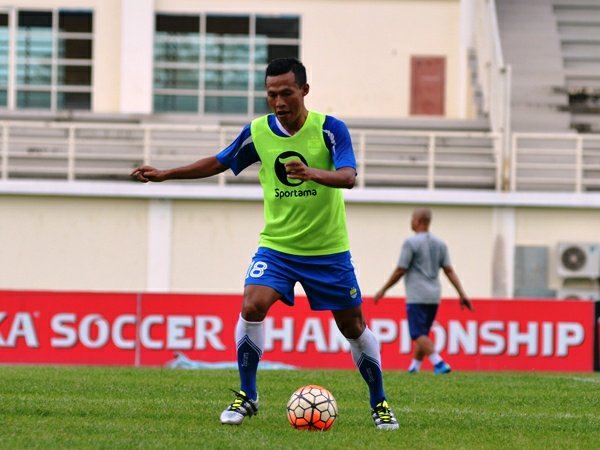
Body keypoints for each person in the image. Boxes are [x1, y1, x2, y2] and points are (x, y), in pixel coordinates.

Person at [131, 57, 399, 430]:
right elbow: (221, 161)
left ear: (304, 90)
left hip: (327, 251)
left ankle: (379, 402)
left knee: (353, 327)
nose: (278, 101)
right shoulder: (259, 131)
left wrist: (311, 173)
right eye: (271, 94)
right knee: (252, 304)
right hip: (277, 247)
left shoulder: (329, 129)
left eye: (286, 93)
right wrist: (165, 174)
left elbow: (348, 177)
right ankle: (247, 395)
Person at [373, 207, 473, 374]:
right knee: (423, 333)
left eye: (412, 219)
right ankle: (415, 367)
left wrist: (383, 289)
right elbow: (449, 270)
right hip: (434, 295)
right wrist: (462, 294)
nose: (411, 222)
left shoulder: (411, 243)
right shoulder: (440, 244)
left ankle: (439, 363)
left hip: (417, 294)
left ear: (418, 221)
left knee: (417, 333)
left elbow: (400, 269)